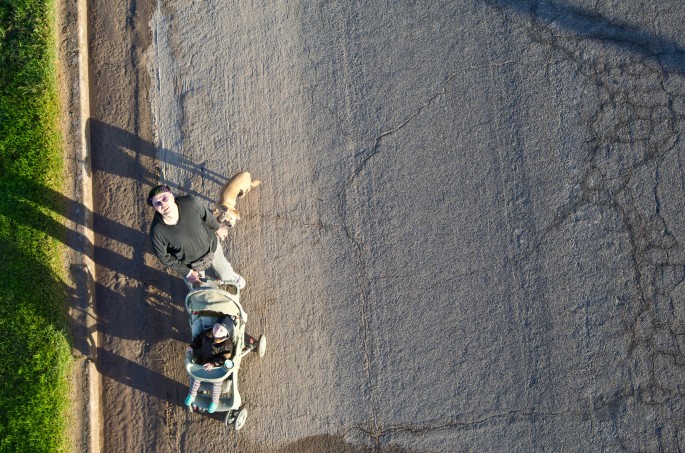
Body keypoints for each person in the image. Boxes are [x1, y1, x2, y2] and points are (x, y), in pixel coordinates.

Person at [147, 185, 245, 289]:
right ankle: (207, 287)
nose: (163, 204)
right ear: (154, 207)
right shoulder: (157, 231)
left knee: (226, 274)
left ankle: (229, 276)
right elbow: (163, 256)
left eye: (164, 198)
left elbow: (206, 216)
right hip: (190, 265)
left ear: (171, 196)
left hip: (211, 248)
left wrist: (218, 228)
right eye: (157, 203)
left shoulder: (190, 203)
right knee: (201, 290)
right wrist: (188, 273)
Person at [184, 316, 235, 413]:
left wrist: (213, 364)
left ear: (227, 334)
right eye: (216, 327)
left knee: (216, 384)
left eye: (221, 330)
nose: (217, 331)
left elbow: (224, 358)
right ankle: (192, 394)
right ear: (213, 326)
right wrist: (191, 346)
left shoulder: (227, 345)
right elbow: (198, 341)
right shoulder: (206, 334)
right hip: (203, 364)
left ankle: (214, 402)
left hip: (217, 369)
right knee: (195, 379)